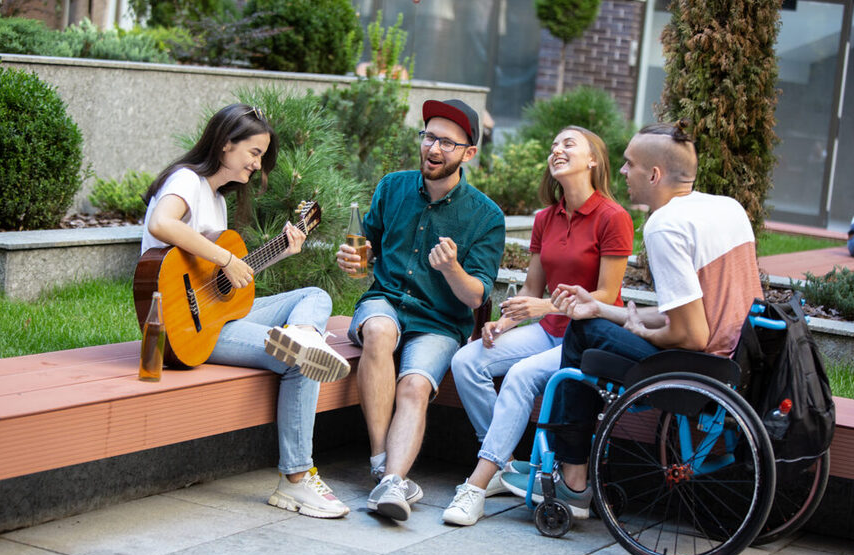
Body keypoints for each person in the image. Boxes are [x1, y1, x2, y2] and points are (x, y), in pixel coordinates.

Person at [533, 120, 764, 514]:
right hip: (739, 359)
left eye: (629, 164)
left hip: (699, 367)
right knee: (592, 319)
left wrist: (642, 330)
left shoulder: (664, 226)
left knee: (581, 331)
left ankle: (573, 477)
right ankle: (575, 469)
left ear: (654, 175)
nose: (621, 172)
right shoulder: (726, 208)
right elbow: (696, 310)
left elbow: (691, 335)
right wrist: (606, 309)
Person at [140, 103, 351, 519]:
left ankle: (304, 334)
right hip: (180, 328)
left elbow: (225, 280)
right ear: (224, 145)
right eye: (253, 152)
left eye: (260, 156)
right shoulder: (187, 180)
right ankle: (295, 481)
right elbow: (162, 225)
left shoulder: (216, 202)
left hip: (217, 316)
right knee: (300, 364)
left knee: (316, 297)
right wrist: (224, 258)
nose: (257, 164)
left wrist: (278, 252)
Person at [441, 127, 633, 526]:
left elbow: (605, 296)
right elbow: (531, 288)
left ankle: (476, 485)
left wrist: (543, 304)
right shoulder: (546, 218)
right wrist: (504, 322)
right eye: (554, 145)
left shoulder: (613, 218)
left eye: (568, 144)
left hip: (586, 338)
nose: (556, 150)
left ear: (593, 160)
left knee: (521, 376)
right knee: (467, 361)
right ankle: (503, 462)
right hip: (547, 330)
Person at [335, 99, 506, 522]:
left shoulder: (487, 217)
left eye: (447, 142)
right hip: (385, 301)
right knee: (378, 332)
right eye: (429, 136)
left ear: (469, 153)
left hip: (439, 322)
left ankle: (393, 482)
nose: (434, 148)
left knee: (414, 386)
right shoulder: (391, 187)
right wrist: (355, 261)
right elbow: (367, 251)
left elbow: (475, 297)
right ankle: (381, 465)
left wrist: (451, 268)